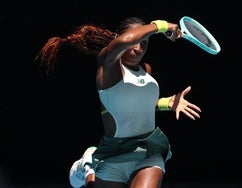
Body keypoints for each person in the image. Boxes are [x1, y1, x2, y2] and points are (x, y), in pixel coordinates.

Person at [36, 17, 202, 188]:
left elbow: (134, 106)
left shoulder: (146, 70)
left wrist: (165, 103)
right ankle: (88, 165)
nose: (139, 48)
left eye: (144, 44)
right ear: (117, 38)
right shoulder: (108, 66)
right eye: (137, 41)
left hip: (148, 150)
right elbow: (126, 40)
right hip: (113, 153)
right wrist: (159, 26)